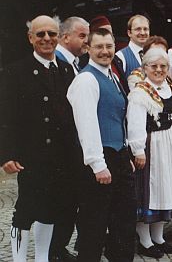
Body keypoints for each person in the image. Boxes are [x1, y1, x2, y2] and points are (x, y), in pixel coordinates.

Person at [0, 15, 80, 262]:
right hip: (31, 155)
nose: (47, 39)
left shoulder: (67, 69)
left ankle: (42, 258)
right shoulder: (16, 71)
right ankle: (19, 259)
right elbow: (6, 116)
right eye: (41, 34)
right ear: (30, 38)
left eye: (52, 34)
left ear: (59, 36)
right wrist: (6, 154)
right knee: (24, 212)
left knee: (51, 211)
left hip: (61, 156)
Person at [67, 28, 136, 261]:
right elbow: (86, 125)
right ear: (88, 49)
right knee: (94, 224)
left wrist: (125, 153)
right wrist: (98, 164)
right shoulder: (86, 80)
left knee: (123, 221)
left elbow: (118, 119)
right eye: (99, 47)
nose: (105, 51)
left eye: (109, 46)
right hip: (98, 160)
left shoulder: (113, 77)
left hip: (118, 156)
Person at [127, 48, 172, 258]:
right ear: (145, 68)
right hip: (153, 146)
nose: (159, 70)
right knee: (151, 191)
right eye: (153, 66)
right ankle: (145, 240)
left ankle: (159, 237)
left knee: (168, 189)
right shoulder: (140, 92)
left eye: (163, 66)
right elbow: (135, 124)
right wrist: (138, 150)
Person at [50, 16, 89, 261]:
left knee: (70, 200)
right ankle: (55, 250)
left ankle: (59, 247)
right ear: (66, 37)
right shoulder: (60, 63)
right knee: (64, 200)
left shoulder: (74, 62)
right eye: (82, 35)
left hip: (73, 144)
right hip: (64, 146)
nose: (87, 40)